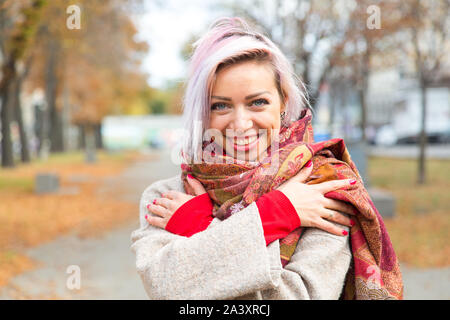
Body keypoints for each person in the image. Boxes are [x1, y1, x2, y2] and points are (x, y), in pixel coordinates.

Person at [130, 17, 403, 300]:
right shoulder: (167, 196)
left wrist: (202, 230)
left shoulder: (322, 187)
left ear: (283, 101)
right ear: (203, 111)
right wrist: (274, 215)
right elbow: (166, 288)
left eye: (257, 102)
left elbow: (300, 296)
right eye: (220, 105)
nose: (241, 122)